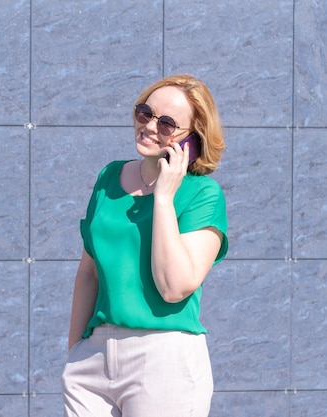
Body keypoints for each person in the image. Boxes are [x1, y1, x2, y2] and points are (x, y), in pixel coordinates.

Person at [61, 74, 228, 417]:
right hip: (93, 359)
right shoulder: (109, 178)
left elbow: (174, 287)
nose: (151, 126)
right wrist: (75, 351)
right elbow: (89, 272)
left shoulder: (203, 195)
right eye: (145, 113)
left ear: (191, 140)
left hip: (163, 360)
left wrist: (164, 198)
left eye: (167, 123)